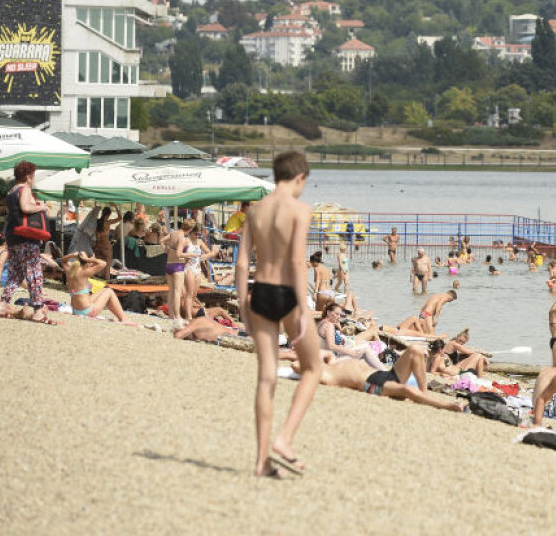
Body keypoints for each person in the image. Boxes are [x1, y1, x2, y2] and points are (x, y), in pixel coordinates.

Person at [234, 150, 321, 478]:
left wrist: (243, 305)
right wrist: (304, 309)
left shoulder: (255, 211)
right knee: (312, 368)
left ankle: (261, 462)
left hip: (260, 292)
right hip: (287, 293)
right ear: (299, 177)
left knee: (266, 377)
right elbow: (298, 262)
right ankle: (284, 439)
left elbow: (242, 262)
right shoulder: (299, 209)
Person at [312, 346, 467, 412]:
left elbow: (327, 353)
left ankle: (424, 392)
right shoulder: (326, 375)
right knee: (407, 390)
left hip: (384, 374)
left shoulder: (332, 361)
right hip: (371, 385)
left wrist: (322, 355)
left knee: (415, 350)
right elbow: (297, 366)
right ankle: (449, 406)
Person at [0, 161, 52, 322]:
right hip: (26, 236)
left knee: (15, 272)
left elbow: (15, 211)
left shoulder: (11, 191)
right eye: (33, 176)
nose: (33, 179)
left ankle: (2, 304)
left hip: (13, 235)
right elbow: (25, 208)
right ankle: (37, 309)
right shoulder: (25, 189)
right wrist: (41, 207)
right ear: (29, 176)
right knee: (34, 272)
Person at [64, 252, 132, 323]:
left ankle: (122, 317)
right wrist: (89, 259)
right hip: (87, 312)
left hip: (75, 311)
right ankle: (123, 318)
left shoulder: (70, 271)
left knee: (104, 290)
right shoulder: (84, 272)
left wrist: (72, 255)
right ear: (87, 262)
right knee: (109, 291)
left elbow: (63, 261)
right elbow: (103, 263)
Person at [183, 225, 219, 320]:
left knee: (194, 294)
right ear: (191, 232)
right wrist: (187, 256)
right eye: (196, 234)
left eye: (199, 234)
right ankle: (188, 316)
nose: (198, 236)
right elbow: (178, 253)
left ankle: (191, 313)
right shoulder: (186, 241)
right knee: (189, 294)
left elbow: (210, 253)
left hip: (197, 269)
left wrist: (207, 256)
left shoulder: (199, 242)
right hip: (189, 267)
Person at [162, 220, 195, 322]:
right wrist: (191, 255)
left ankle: (171, 315)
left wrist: (166, 250)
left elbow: (161, 241)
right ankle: (177, 315)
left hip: (169, 264)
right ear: (190, 229)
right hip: (178, 266)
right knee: (177, 292)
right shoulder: (182, 238)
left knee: (171, 291)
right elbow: (179, 254)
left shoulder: (173, 233)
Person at [92, 206, 120, 275]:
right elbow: (120, 218)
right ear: (108, 215)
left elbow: (97, 236)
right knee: (107, 268)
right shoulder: (108, 222)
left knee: (97, 267)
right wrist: (116, 207)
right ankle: (106, 283)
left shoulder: (97, 222)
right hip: (106, 247)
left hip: (97, 246)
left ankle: (97, 283)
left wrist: (96, 245)